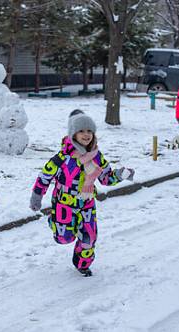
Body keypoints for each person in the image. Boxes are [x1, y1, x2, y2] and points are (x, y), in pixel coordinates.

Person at [29, 110, 135, 277]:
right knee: (64, 238)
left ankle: (82, 264)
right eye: (81, 131)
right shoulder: (62, 157)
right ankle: (54, 221)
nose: (86, 135)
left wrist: (120, 175)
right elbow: (45, 176)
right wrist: (37, 197)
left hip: (86, 203)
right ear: (73, 134)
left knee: (89, 237)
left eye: (89, 131)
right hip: (64, 203)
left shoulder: (96, 156)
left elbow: (105, 178)